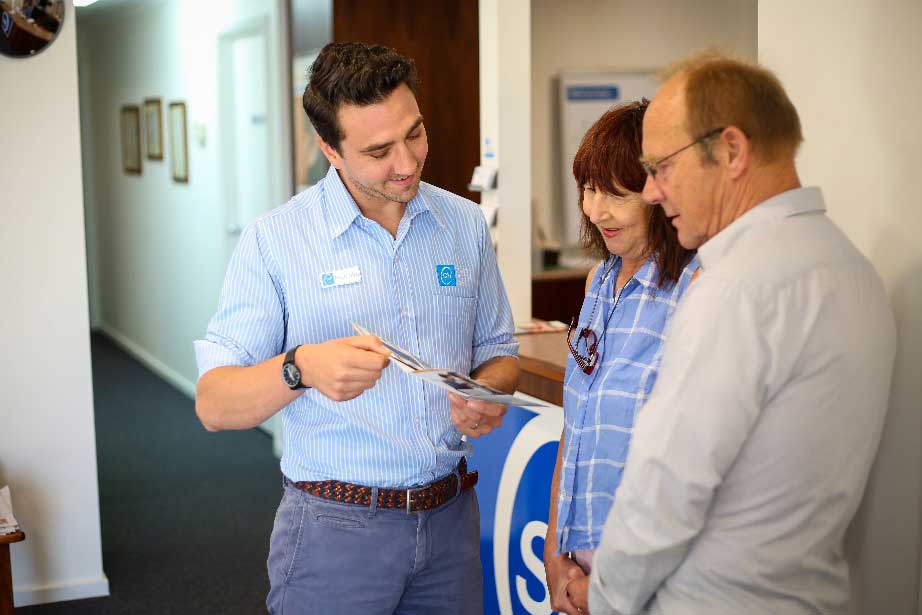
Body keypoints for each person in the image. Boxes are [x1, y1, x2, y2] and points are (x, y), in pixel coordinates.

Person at [193, 42, 519, 615]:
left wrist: (487, 393)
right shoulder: (274, 241)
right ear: (330, 149)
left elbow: (498, 350)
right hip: (334, 532)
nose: (408, 162)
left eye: (414, 133)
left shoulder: (464, 224)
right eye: (378, 150)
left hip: (452, 525)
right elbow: (215, 405)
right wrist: (302, 368)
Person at [588, 52, 897, 615]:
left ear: (731, 150)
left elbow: (664, 491)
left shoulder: (737, 289)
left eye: (661, 167)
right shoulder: (853, 270)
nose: (652, 192)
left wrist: (606, 600)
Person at [543, 100, 698, 615]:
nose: (595, 210)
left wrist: (610, 586)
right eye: (589, 189)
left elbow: (686, 462)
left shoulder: (693, 293)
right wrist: (553, 551)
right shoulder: (599, 281)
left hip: (647, 579)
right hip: (578, 560)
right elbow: (578, 424)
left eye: (617, 195)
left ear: (660, 194)